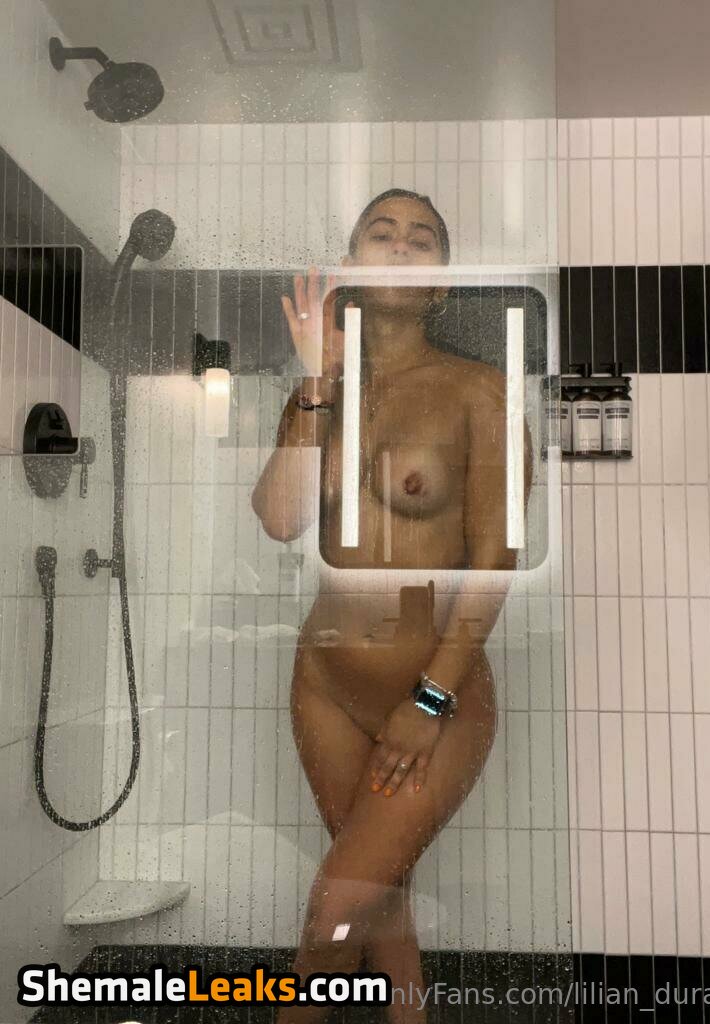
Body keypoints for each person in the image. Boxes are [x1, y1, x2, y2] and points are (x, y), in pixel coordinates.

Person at [251, 188, 532, 1023]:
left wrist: (432, 698)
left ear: (441, 281)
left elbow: (496, 562)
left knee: (334, 915)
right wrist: (316, 381)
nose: (401, 246)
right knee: (378, 893)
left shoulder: (481, 392)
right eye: (382, 233)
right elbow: (279, 518)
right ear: (352, 266)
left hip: (434, 691)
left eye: (422, 239)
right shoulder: (320, 392)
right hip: (324, 682)